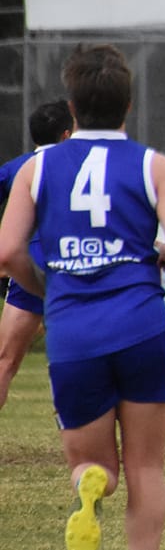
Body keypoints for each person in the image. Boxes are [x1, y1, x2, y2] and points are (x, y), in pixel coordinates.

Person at [0, 43, 165, 550]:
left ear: (71, 107)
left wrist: (48, 290)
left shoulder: (37, 168)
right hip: (140, 326)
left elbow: (7, 253)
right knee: (146, 467)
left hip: (73, 332)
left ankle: (88, 491)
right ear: (128, 106)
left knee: (95, 467)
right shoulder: (156, 166)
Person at [0, 98, 74, 410]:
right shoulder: (82, 165)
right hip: (78, 266)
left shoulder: (17, 168)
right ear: (67, 135)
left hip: (31, 267)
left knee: (5, 361)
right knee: (92, 361)